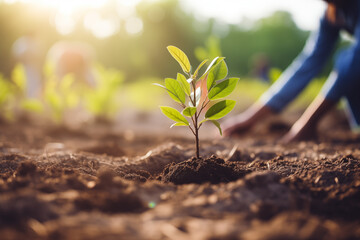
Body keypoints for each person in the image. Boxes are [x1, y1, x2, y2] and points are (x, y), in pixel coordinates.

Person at [222, 0, 360, 142]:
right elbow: (309, 63)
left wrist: (307, 124)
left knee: (346, 58)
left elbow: (354, 61)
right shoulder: (332, 14)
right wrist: (250, 118)